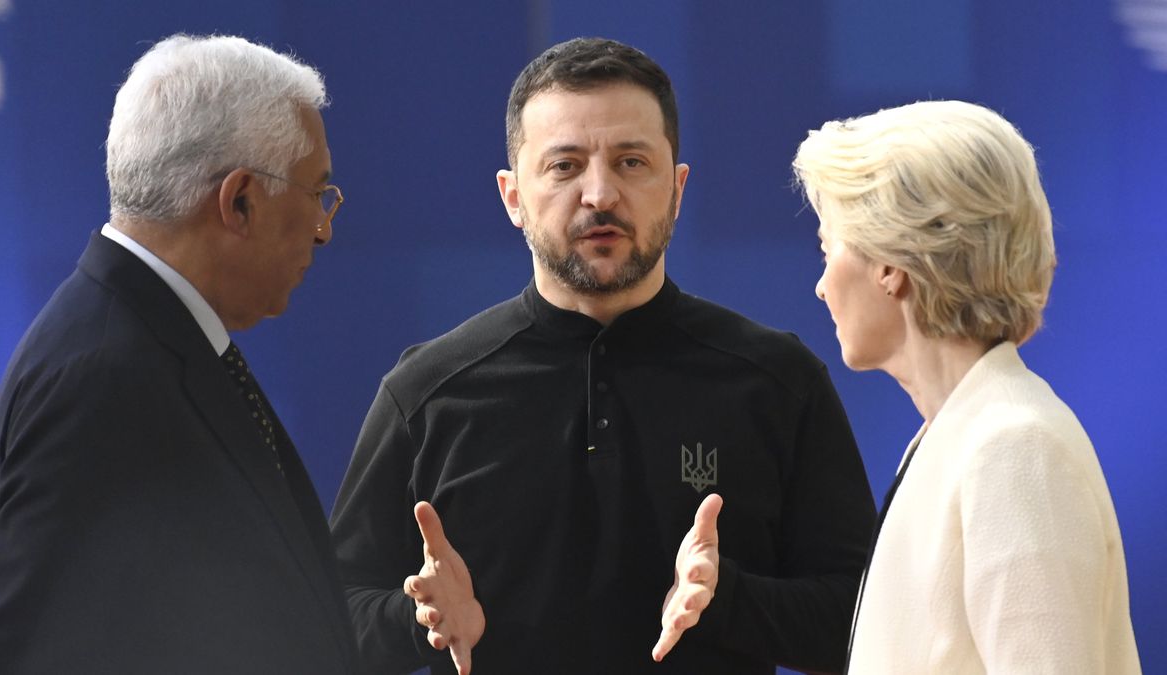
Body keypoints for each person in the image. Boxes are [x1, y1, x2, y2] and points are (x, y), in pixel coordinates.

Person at [331, 36, 876, 674]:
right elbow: (323, 617)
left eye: (631, 163)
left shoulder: (778, 382)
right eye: (564, 165)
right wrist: (417, 619)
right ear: (512, 196)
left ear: (677, 189)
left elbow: (867, 623)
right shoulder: (427, 392)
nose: (599, 194)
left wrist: (731, 600)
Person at [0, 35, 360, 674]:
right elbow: (29, 654)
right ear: (239, 200)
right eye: (317, 192)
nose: (325, 227)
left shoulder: (151, 338)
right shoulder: (102, 381)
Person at [792, 100, 1142, 673]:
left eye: (829, 248)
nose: (822, 285)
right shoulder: (960, 436)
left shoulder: (1014, 447)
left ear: (889, 263)